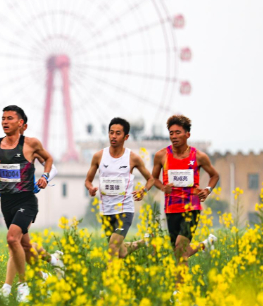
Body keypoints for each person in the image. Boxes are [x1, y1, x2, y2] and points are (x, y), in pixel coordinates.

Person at [0, 105, 55, 302]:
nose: (5, 122)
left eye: (10, 118)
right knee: (24, 246)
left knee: (12, 239)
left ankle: (22, 286)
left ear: (21, 123)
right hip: (6, 203)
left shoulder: (31, 144)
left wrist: (45, 177)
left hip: (26, 200)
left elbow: (49, 159)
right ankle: (44, 276)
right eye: (3, 118)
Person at [148, 114, 219, 268]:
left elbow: (214, 175)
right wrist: (163, 188)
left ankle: (180, 284)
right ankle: (205, 245)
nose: (174, 136)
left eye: (178, 132)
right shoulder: (161, 155)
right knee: (179, 253)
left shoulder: (198, 156)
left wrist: (207, 190)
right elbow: (154, 179)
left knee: (180, 247)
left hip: (191, 207)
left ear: (187, 134)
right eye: (171, 133)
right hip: (171, 208)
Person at [84, 117, 156, 260]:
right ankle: (145, 242)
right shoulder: (99, 156)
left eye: (118, 133)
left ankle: (110, 274)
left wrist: (143, 191)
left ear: (126, 137)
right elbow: (88, 180)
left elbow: (151, 179)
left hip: (124, 210)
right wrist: (90, 188)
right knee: (120, 252)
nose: (113, 136)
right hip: (106, 210)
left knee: (112, 247)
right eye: (111, 133)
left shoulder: (132, 158)